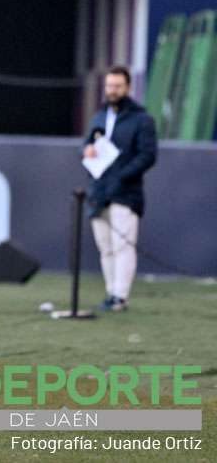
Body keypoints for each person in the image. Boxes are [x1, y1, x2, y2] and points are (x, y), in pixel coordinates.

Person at [83, 66, 157, 312]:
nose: (112, 91)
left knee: (122, 245)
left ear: (127, 87)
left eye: (117, 86)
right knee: (105, 246)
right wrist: (87, 151)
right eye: (109, 86)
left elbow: (148, 155)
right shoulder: (99, 116)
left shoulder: (142, 119)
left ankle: (120, 296)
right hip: (99, 191)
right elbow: (87, 146)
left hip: (125, 193)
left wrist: (122, 176)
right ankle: (110, 292)